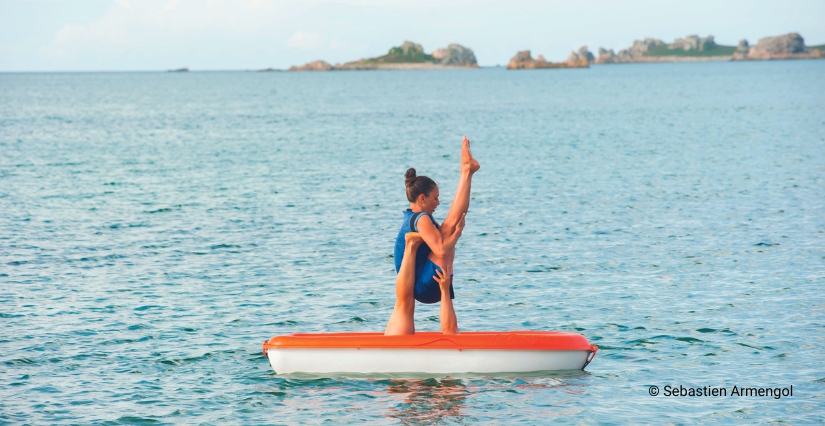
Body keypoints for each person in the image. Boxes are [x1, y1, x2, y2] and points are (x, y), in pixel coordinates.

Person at [385, 136, 480, 335]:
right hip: (423, 285)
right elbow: (441, 249)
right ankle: (466, 172)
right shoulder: (421, 219)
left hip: (419, 283)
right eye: (435, 198)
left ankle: (467, 172)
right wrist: (458, 234)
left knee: (448, 227)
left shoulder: (413, 218)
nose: (438, 203)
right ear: (422, 198)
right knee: (450, 228)